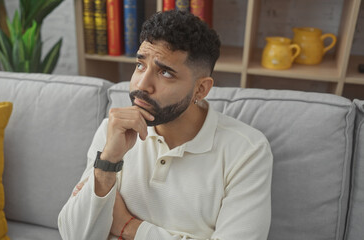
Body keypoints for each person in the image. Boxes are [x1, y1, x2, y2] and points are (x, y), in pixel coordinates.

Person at [58, 10, 273, 240]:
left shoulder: (247, 151)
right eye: (140, 65)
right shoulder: (114, 131)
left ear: (201, 89)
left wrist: (128, 226)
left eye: (165, 73)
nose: (142, 84)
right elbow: (74, 236)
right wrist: (107, 164)